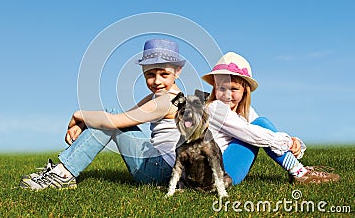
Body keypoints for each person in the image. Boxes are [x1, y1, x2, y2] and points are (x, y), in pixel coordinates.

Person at [20, 38, 186, 190]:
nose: (157, 81)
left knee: (109, 120)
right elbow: (125, 119)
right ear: (143, 71)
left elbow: (114, 122)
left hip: (160, 171)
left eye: (164, 74)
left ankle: (63, 173)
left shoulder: (166, 102)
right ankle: (62, 170)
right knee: (108, 119)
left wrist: (78, 115)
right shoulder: (164, 97)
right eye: (150, 74)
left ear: (177, 71)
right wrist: (86, 123)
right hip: (162, 167)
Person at [202, 52, 340, 185]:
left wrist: (291, 141)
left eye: (233, 89)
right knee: (259, 128)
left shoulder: (245, 111)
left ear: (245, 90)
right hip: (212, 175)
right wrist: (285, 142)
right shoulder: (214, 108)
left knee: (261, 124)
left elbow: (263, 130)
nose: (227, 95)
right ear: (215, 88)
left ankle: (298, 171)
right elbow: (249, 132)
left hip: (224, 171)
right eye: (221, 88)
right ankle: (299, 172)